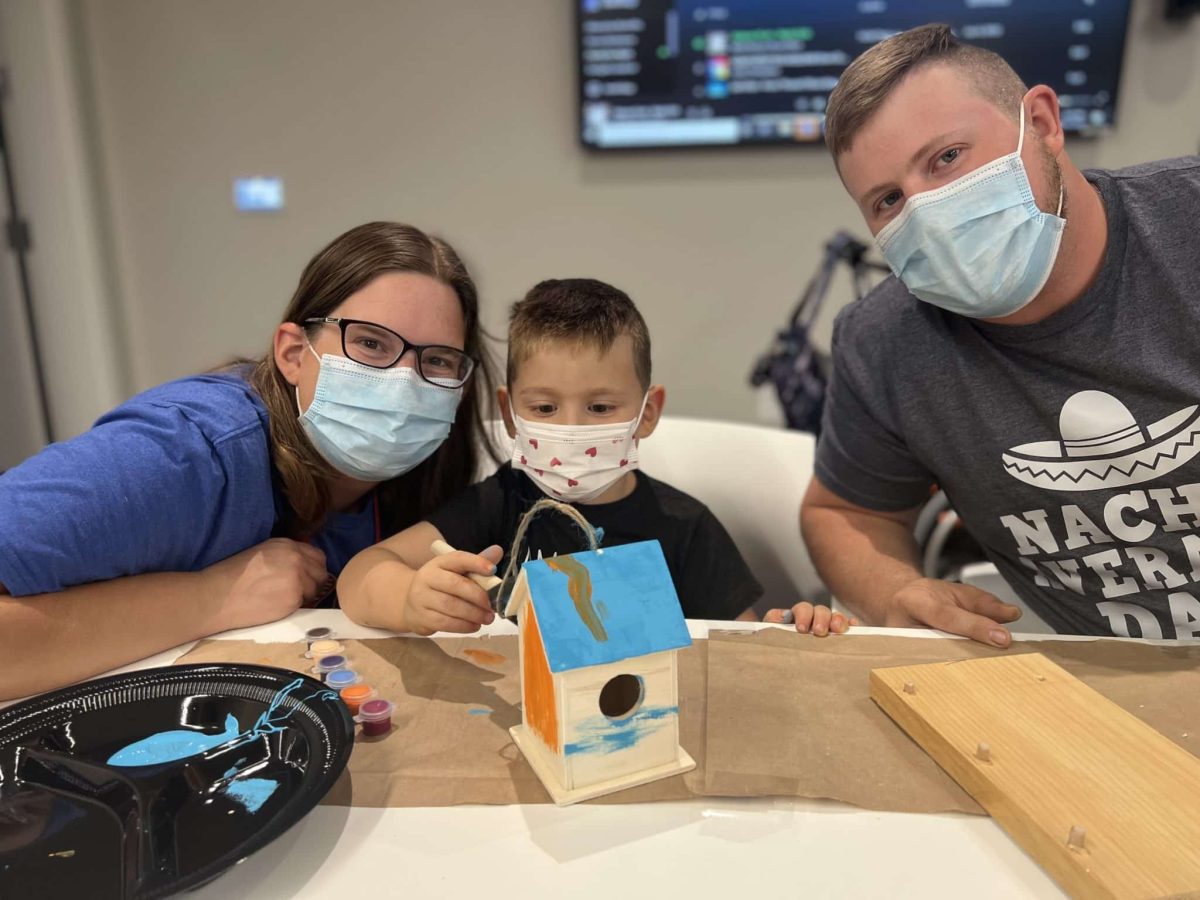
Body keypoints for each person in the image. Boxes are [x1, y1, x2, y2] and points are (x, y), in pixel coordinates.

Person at [782, 23, 1200, 644]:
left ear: (1042, 123)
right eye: (889, 200)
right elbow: (845, 511)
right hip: (1109, 697)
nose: (927, 211)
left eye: (947, 157)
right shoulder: (885, 344)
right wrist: (893, 591)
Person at [0, 222, 498, 699]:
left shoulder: (417, 480)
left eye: (436, 360)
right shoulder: (183, 454)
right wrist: (210, 599)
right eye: (369, 343)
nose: (405, 382)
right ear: (293, 353)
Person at [340, 278, 846, 634]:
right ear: (510, 413)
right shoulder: (500, 503)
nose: (572, 428)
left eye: (601, 406)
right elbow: (361, 573)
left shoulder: (684, 526)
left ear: (648, 413)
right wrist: (409, 599)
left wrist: (791, 630)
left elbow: (741, 646)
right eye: (544, 406)